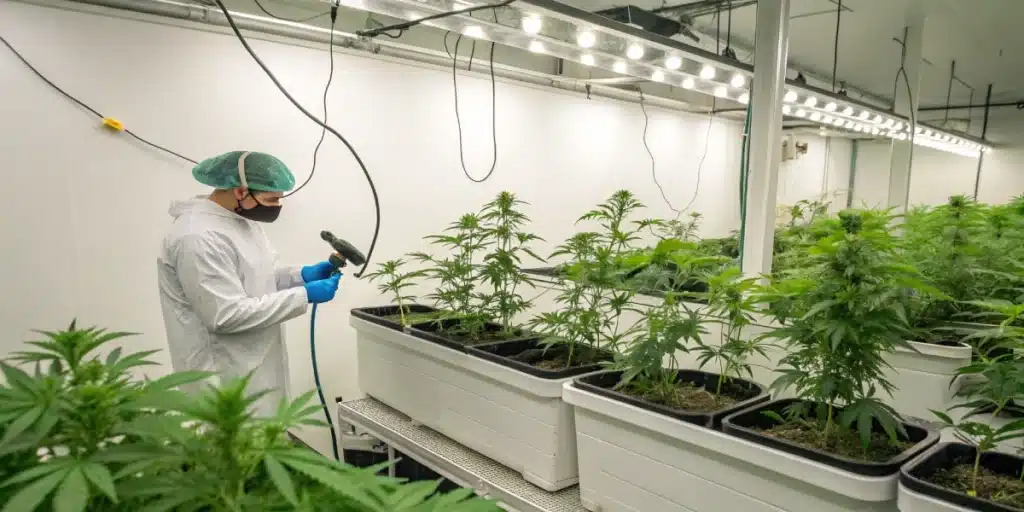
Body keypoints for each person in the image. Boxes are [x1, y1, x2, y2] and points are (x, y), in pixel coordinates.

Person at [158, 151, 341, 417]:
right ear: (241, 191)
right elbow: (225, 315)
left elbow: (256, 277)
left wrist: (300, 276)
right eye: (271, 199)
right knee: (232, 449)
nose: (277, 206)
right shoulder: (196, 237)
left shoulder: (241, 222)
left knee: (265, 436)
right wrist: (303, 296)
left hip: (256, 364)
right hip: (222, 374)